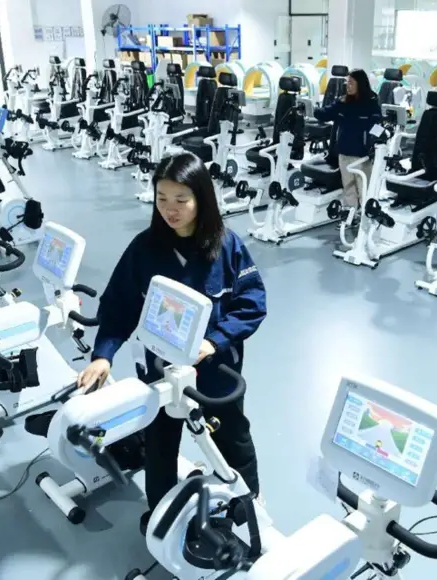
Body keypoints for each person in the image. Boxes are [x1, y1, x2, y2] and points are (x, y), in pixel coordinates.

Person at [77, 152, 267, 532]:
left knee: (231, 434)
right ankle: (161, 512)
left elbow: (252, 304)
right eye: (162, 198)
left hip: (216, 372)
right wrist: (103, 356)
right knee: (161, 442)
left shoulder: (227, 247)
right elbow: (118, 307)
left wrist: (213, 342)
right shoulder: (144, 250)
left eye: (181, 199)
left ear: (202, 198)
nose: (170, 209)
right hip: (160, 371)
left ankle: (246, 502)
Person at [313, 69, 382, 209]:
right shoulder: (343, 102)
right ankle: (351, 216)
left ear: (360, 84)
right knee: (348, 188)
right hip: (344, 152)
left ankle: (365, 220)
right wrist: (313, 108)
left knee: (364, 189)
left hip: (362, 156)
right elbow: (324, 114)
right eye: (347, 83)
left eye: (351, 83)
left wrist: (375, 143)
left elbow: (378, 126)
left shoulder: (371, 104)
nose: (347, 86)